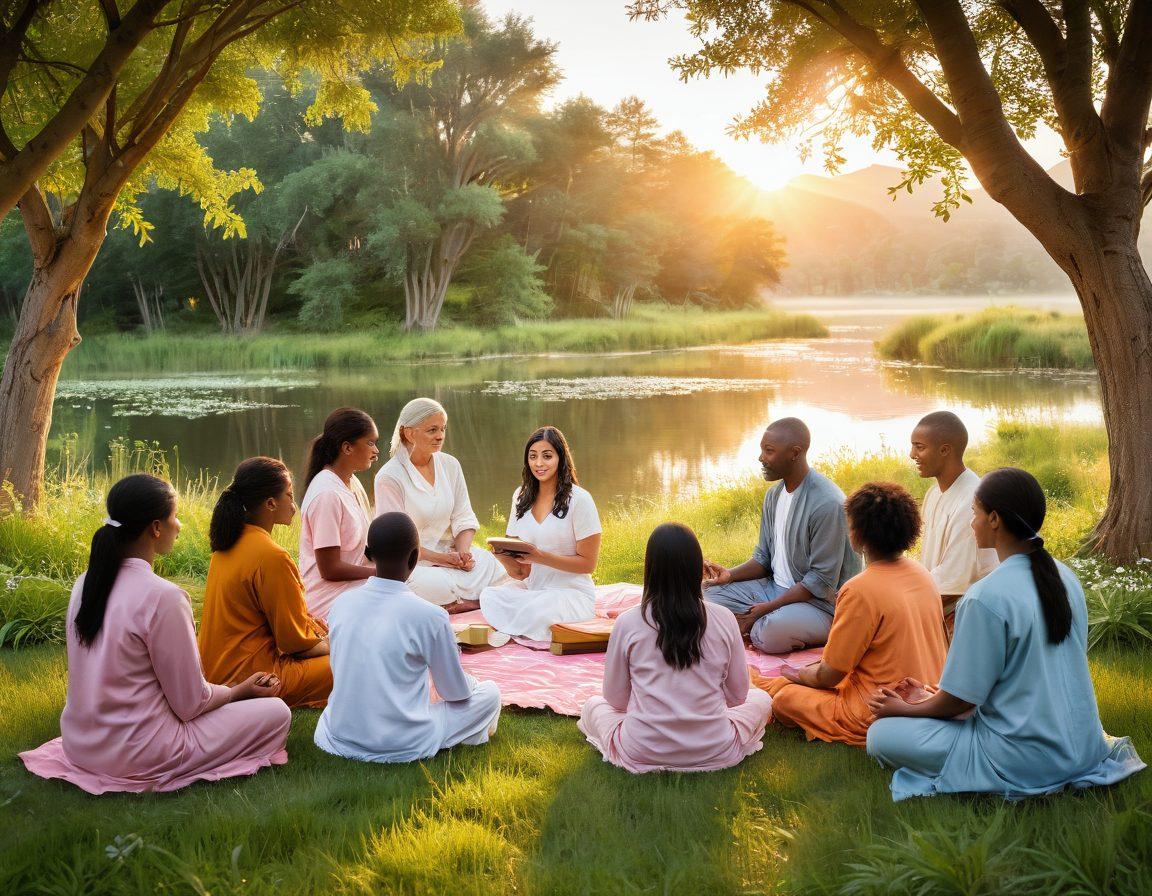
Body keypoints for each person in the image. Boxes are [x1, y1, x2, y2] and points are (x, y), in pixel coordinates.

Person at [866, 468, 1145, 801]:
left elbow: (961, 701)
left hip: (1024, 757)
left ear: (994, 519)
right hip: (1082, 745)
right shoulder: (1065, 576)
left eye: (975, 514)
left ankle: (992, 775)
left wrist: (902, 709)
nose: (972, 523)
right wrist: (931, 696)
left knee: (880, 735)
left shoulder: (985, 597)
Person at [19, 474, 290, 794]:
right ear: (156, 528)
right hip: (142, 753)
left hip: (81, 745)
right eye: (175, 518)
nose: (179, 526)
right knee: (277, 712)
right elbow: (190, 704)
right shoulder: (164, 597)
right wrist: (238, 691)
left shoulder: (84, 583)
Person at [757, 482, 946, 747]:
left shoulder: (859, 589)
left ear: (857, 534)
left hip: (876, 709)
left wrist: (800, 675)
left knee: (785, 698)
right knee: (787, 683)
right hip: (927, 695)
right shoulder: (922, 574)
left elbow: (829, 675)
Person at [579, 523, 774, 773]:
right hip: (714, 747)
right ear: (697, 569)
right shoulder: (724, 618)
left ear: (650, 569)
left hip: (642, 748)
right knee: (761, 698)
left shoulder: (627, 622)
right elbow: (738, 697)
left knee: (593, 705)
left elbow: (615, 700)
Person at [314, 512, 502, 763]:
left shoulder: (340, 605)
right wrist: (473, 683)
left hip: (340, 734)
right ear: (415, 557)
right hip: (403, 740)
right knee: (489, 694)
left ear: (369, 555)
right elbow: (454, 692)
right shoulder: (431, 616)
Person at [704, 417, 860, 654]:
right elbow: (763, 558)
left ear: (794, 453)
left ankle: (757, 625)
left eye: (769, 451)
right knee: (706, 595)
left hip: (820, 604)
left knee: (769, 633)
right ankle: (751, 623)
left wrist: (766, 609)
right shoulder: (774, 496)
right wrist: (728, 576)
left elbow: (819, 581)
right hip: (774, 589)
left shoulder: (827, 503)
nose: (761, 458)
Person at [199, 458, 332, 709]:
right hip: (253, 678)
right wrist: (333, 645)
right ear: (271, 503)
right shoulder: (272, 556)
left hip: (215, 671)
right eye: (289, 496)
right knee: (351, 663)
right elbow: (294, 643)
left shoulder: (225, 547)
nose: (294, 505)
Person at [374, 397, 507, 613]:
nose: (440, 436)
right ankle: (473, 604)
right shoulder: (389, 477)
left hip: (451, 555)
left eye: (443, 429)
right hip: (413, 563)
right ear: (409, 433)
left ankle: (458, 606)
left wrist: (463, 553)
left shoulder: (450, 465)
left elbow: (463, 515)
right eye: (432, 430)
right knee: (427, 585)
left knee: (490, 565)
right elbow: (397, 541)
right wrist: (443, 560)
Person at [479, 426, 602, 642]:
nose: (539, 464)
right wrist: (503, 557)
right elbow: (521, 573)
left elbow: (588, 564)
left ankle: (518, 625)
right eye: (533, 456)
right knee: (490, 596)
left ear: (560, 458)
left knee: (540, 609)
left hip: (569, 593)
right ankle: (523, 624)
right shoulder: (520, 496)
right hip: (533, 589)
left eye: (547, 456)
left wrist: (540, 557)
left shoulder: (580, 500)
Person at [910, 411, 998, 634]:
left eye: (919, 447)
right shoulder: (933, 493)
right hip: (934, 601)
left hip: (964, 615)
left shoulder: (971, 499)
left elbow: (954, 579)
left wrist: (902, 607)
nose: (912, 454)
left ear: (945, 450)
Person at [299, 407, 378, 620]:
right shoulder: (327, 494)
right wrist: (381, 574)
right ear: (347, 447)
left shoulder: (350, 482)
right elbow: (330, 569)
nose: (376, 450)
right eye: (370, 442)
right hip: (329, 601)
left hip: (355, 588)